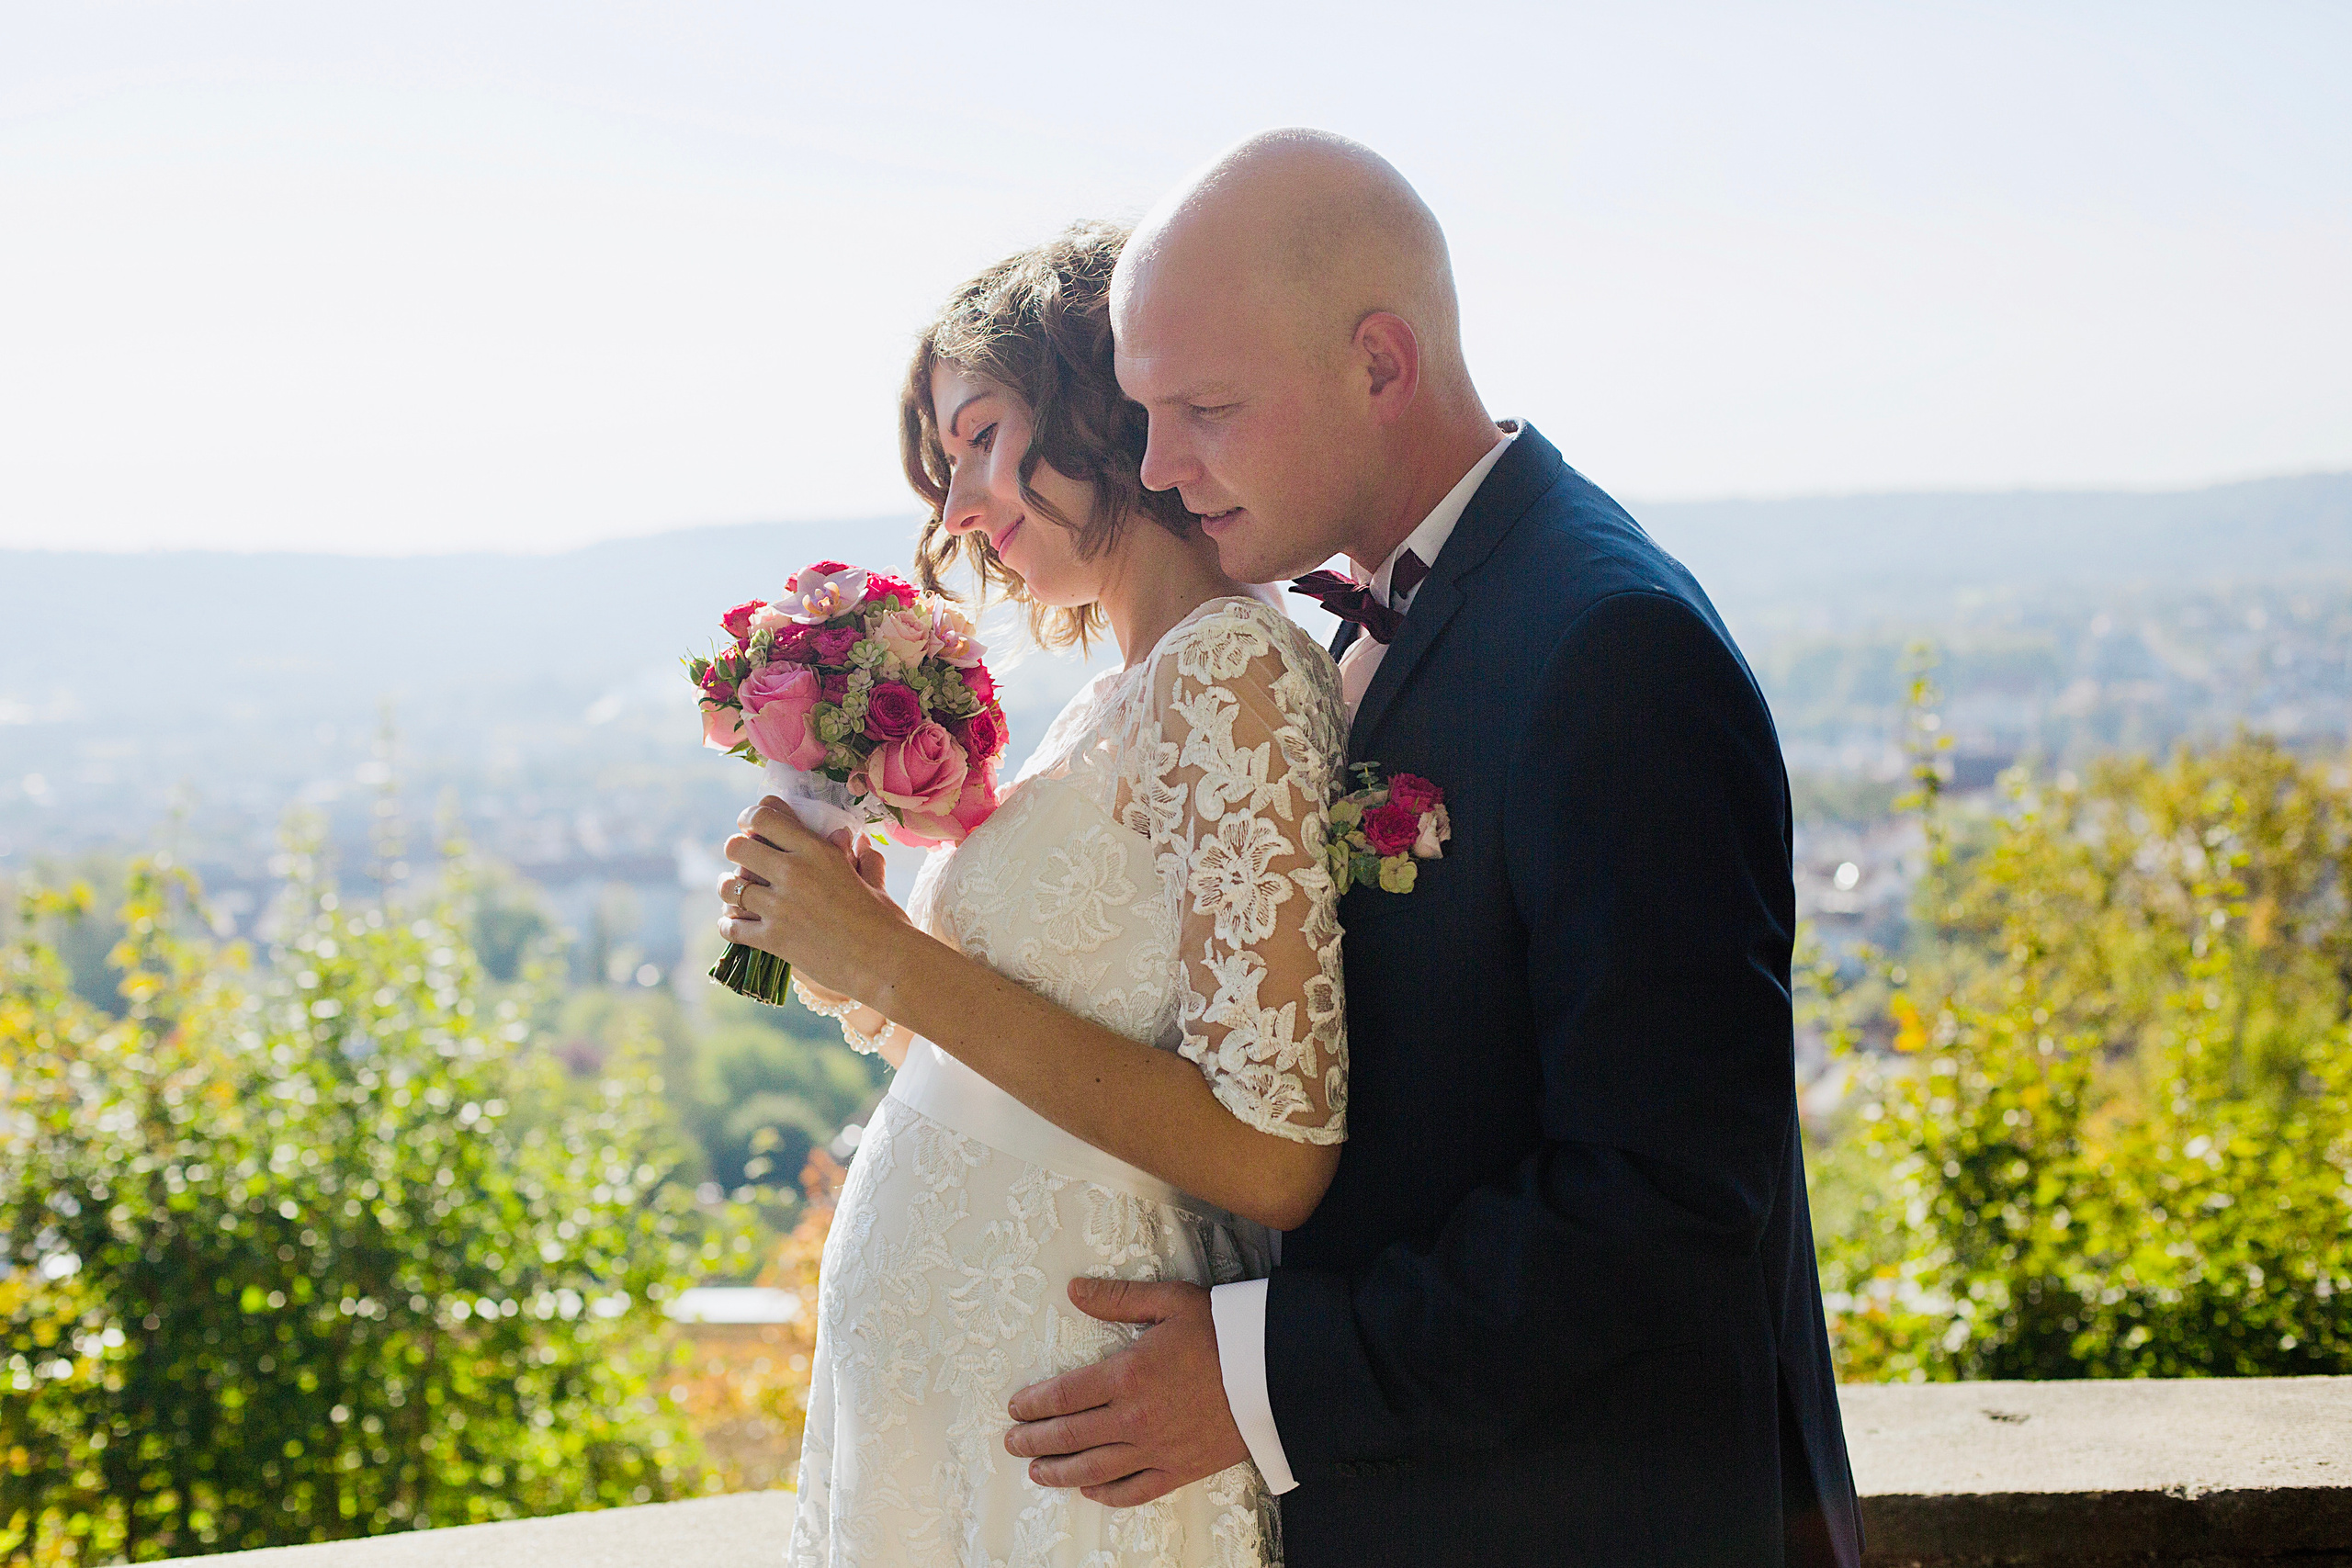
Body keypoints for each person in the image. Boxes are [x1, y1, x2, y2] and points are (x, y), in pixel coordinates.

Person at [993, 131, 1866, 1567]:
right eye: (1145, 414)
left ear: (1381, 366)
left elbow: (1664, 1204)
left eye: (1205, 408)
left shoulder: (1609, 649)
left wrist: (1264, 1379)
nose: (1157, 467)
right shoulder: (1361, 615)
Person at [716, 220, 1350, 1567]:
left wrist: (893, 963)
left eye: (985, 438)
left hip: (1074, 1401)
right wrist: (844, 936)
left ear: (1102, 403)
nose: (958, 511)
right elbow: (1006, 1051)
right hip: (956, 1405)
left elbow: (1274, 1152)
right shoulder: (1110, 701)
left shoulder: (1232, 672)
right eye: (945, 469)